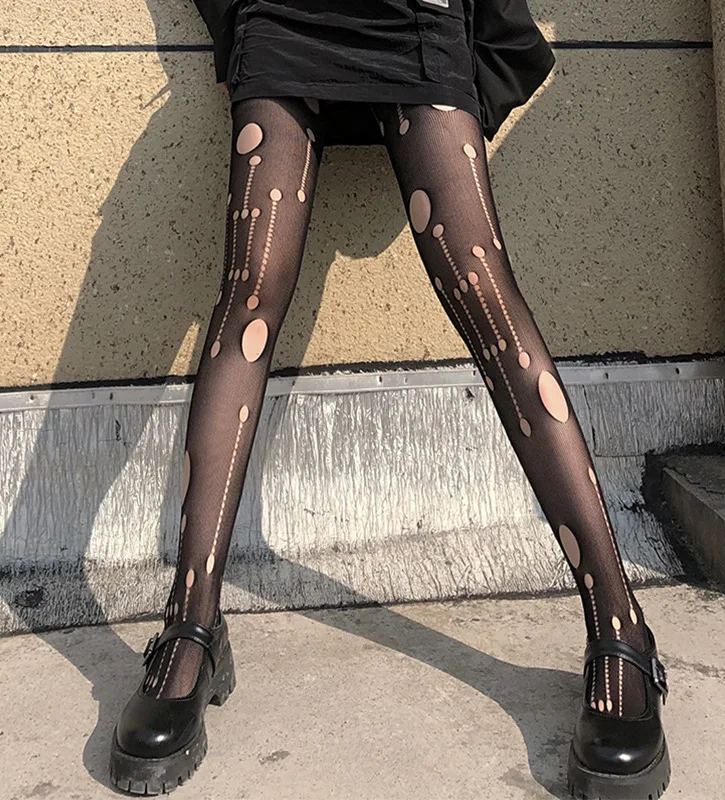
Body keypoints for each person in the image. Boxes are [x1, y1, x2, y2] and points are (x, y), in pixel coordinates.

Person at [109, 0, 670, 797]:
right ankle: (190, 624)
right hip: (284, 18)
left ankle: (622, 629)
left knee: (487, 300)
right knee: (249, 297)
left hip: (413, 17)